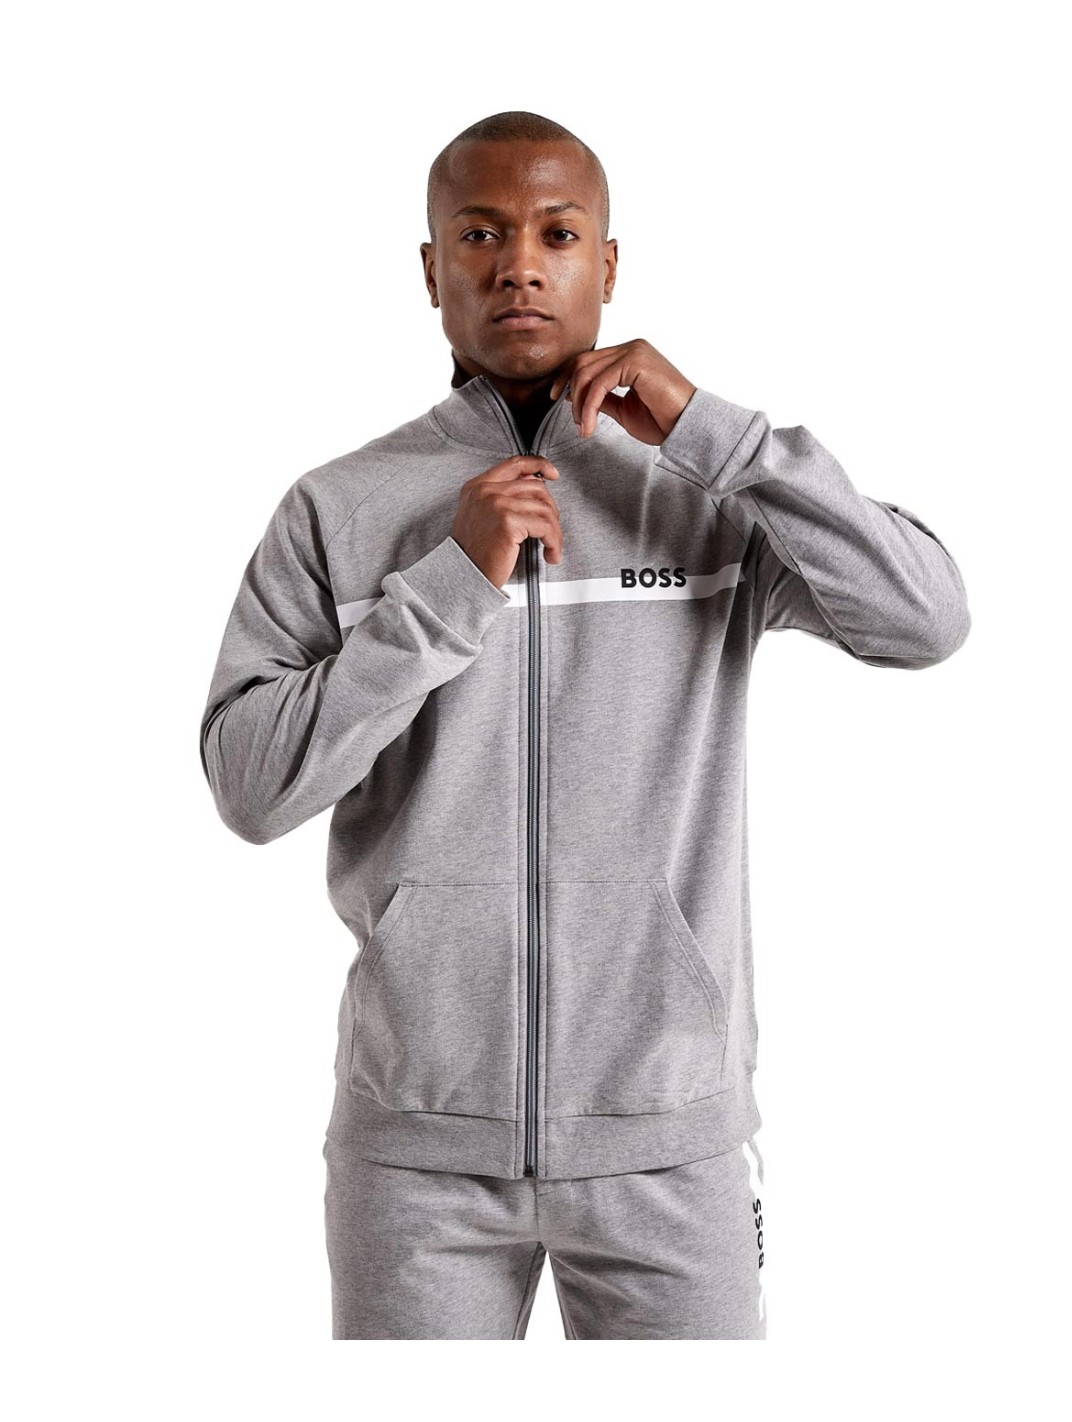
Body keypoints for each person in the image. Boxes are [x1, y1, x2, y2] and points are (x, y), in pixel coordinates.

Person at [198, 110, 971, 1340]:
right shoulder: (339, 509)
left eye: (556, 235)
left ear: (606, 267)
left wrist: (719, 435)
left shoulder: (704, 496)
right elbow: (250, 783)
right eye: (479, 235)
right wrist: (447, 584)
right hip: (416, 1155)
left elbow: (923, 618)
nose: (519, 264)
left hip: (668, 1142)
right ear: (431, 271)